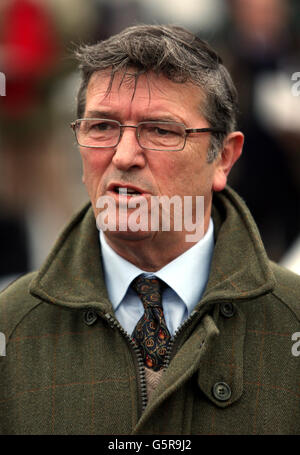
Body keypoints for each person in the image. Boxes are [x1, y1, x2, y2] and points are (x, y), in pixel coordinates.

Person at [0, 24, 299, 435]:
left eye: (160, 130)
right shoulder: (12, 326)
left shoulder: (291, 320)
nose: (124, 156)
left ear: (223, 160)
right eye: (101, 126)